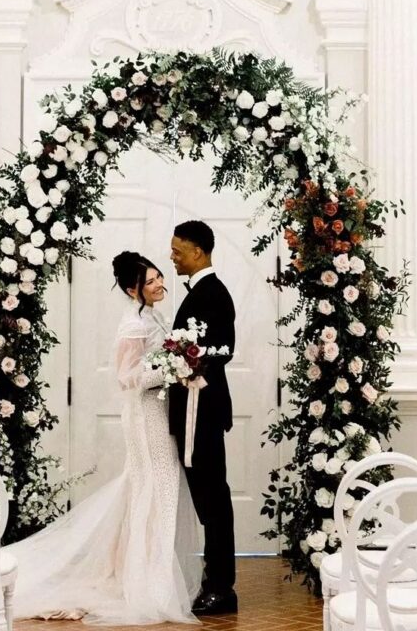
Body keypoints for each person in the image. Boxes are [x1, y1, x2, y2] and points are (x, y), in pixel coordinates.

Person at [10, 251, 201, 625]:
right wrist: (171, 370)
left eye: (160, 276)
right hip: (145, 414)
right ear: (133, 289)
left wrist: (175, 366)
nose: (161, 283)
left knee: (154, 489)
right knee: (155, 487)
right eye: (151, 281)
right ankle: (150, 583)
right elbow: (125, 378)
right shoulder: (133, 324)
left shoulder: (154, 317)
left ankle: (144, 573)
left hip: (157, 411)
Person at [169, 220, 238, 615]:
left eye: (178, 251)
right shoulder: (200, 291)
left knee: (214, 498)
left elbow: (224, 348)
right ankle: (215, 580)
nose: (173, 257)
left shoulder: (214, 293)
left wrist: (185, 359)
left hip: (205, 411)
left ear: (198, 252)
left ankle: (221, 587)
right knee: (207, 497)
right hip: (195, 409)